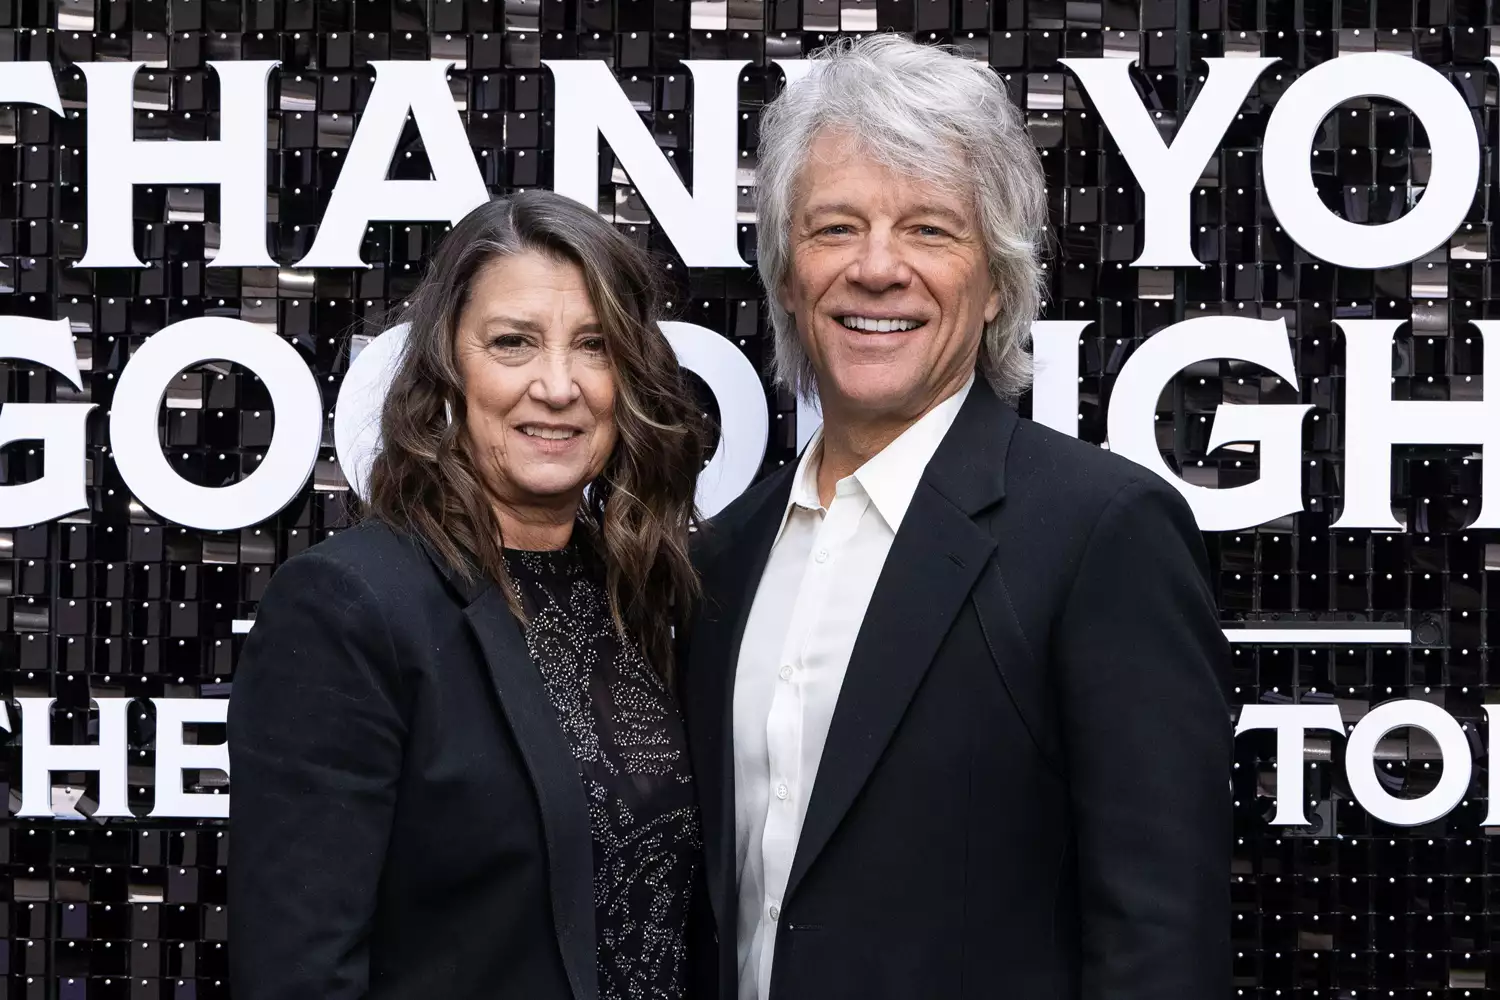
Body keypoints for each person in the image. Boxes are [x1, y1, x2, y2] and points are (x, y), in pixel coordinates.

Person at [681, 33, 1232, 1000]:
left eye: (931, 230)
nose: (878, 269)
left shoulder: (1101, 535)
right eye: (835, 227)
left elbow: (1160, 935)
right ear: (786, 275)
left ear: (995, 286)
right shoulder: (724, 557)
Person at [228, 191, 708, 1000]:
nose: (558, 387)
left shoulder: (642, 596)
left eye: (594, 346)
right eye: (513, 343)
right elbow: (296, 975)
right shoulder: (349, 608)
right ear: (449, 367)